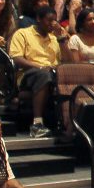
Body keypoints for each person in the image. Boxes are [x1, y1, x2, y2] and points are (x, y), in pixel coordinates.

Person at [8, 7, 63, 138]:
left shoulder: (54, 38)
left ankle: (67, 123)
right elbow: (16, 58)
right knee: (43, 74)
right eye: (49, 20)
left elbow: (65, 61)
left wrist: (61, 38)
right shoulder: (23, 33)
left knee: (70, 75)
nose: (53, 24)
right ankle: (37, 125)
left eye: (55, 21)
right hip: (28, 73)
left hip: (53, 73)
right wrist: (39, 67)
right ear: (38, 19)